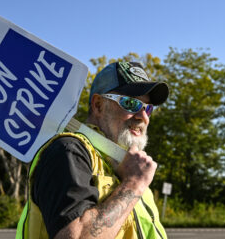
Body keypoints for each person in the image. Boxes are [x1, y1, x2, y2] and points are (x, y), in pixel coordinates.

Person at [16, 61, 169, 239]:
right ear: (98, 105)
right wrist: (134, 184)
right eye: (130, 103)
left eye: (147, 108)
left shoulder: (131, 168)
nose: (143, 117)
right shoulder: (69, 151)